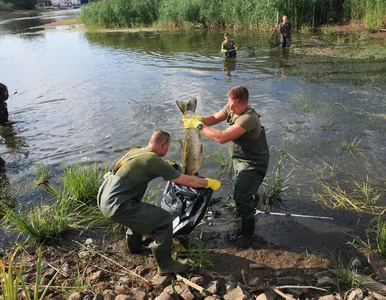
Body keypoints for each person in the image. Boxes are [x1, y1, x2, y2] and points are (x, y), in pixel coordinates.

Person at [97, 130, 221, 275]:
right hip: (117, 206)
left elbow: (109, 173)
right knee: (164, 220)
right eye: (168, 147)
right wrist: (208, 183)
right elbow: (185, 180)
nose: (168, 150)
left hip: (103, 199)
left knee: (136, 216)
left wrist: (167, 165)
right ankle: (166, 265)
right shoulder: (151, 160)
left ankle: (135, 248)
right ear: (164, 145)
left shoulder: (136, 152)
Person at [183, 86, 269, 238]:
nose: (230, 107)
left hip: (253, 163)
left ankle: (247, 234)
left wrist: (199, 126)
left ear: (245, 103)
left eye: (234, 105)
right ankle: (243, 211)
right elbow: (214, 118)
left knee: (241, 197)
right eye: (229, 103)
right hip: (240, 158)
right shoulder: (232, 107)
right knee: (243, 191)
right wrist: (194, 119)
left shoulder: (248, 118)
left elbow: (221, 137)